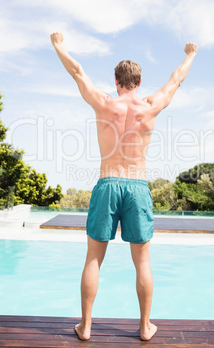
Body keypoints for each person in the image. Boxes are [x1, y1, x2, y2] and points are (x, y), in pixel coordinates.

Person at [50, 32, 198, 341]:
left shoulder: (104, 103)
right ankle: (145, 328)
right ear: (139, 82)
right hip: (137, 185)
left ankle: (86, 327)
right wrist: (190, 54)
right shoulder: (150, 106)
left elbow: (77, 71)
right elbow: (175, 81)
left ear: (116, 80)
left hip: (107, 183)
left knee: (93, 258)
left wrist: (58, 45)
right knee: (142, 261)